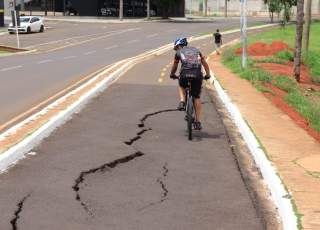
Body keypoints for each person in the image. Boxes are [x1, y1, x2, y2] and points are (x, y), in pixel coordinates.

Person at [170, 38, 211, 130]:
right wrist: (208, 75)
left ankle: (182, 101)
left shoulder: (178, 53)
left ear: (179, 46)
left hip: (184, 74)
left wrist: (172, 74)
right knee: (196, 97)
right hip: (197, 74)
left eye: (176, 47)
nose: (176, 49)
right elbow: (204, 63)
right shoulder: (197, 51)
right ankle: (197, 121)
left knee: (181, 85)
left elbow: (175, 66)